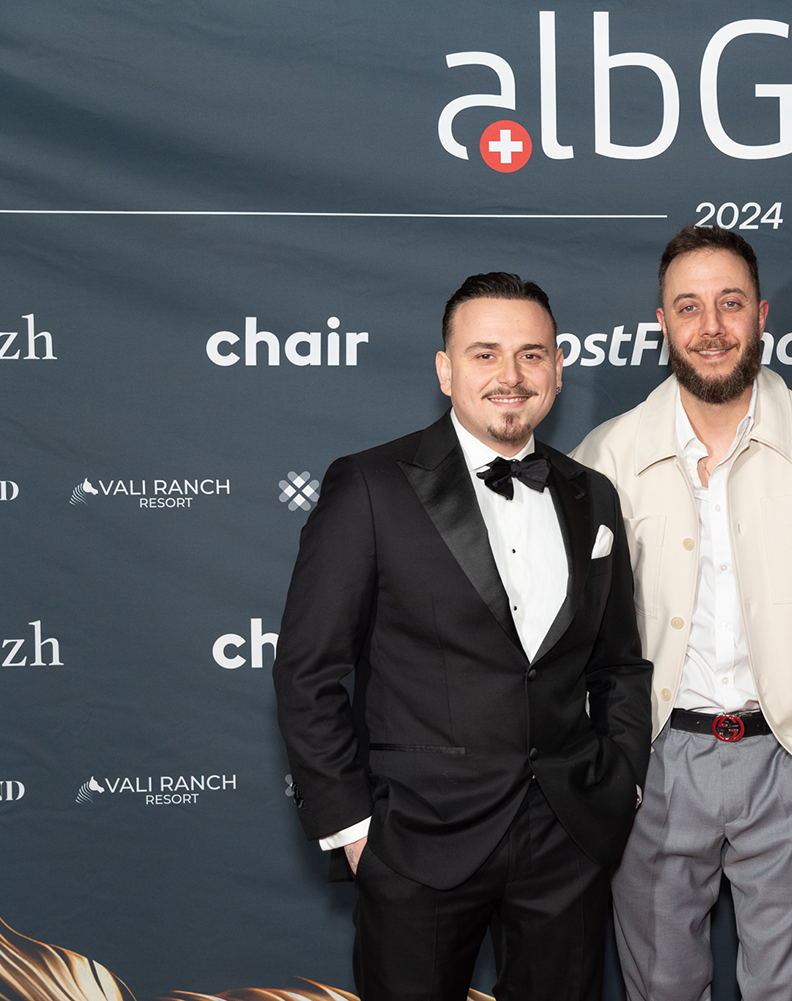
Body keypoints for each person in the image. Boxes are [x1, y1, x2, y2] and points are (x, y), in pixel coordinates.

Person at [272, 272, 652, 1001]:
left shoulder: (592, 494)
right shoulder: (370, 486)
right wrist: (354, 831)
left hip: (568, 834)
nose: (511, 375)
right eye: (485, 354)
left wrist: (623, 783)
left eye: (531, 354)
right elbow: (307, 672)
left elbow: (619, 664)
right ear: (446, 371)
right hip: (417, 839)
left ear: (558, 368)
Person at [572, 225, 792, 1001]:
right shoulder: (605, 456)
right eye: (689, 306)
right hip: (651, 760)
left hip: (790, 754)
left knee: (789, 989)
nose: (711, 326)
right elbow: (580, 631)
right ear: (663, 323)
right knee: (660, 987)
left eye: (730, 303)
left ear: (762, 314)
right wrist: (610, 752)